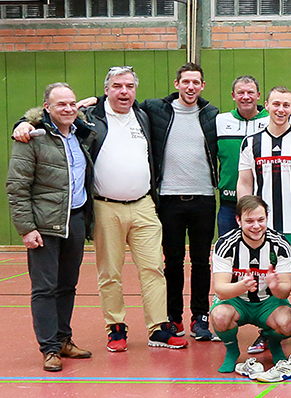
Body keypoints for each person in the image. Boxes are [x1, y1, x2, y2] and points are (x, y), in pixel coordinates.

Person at [83, 67, 181, 351]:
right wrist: (23, 123)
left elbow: (182, 97)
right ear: (106, 89)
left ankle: (158, 328)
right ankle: (116, 327)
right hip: (105, 207)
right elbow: (53, 114)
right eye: (117, 86)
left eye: (129, 86)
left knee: (153, 268)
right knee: (110, 272)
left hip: (144, 206)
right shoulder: (91, 118)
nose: (123, 92)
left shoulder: (143, 116)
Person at [6, 83, 95, 371]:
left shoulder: (82, 134)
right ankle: (50, 348)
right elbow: (17, 187)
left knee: (67, 285)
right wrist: (26, 228)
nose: (68, 109)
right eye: (61, 104)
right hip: (44, 225)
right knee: (45, 288)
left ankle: (63, 338)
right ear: (47, 108)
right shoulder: (31, 137)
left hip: (76, 220)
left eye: (72, 103)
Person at [140, 63, 220, 341]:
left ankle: (200, 316)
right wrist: (95, 101)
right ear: (177, 84)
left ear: (202, 86)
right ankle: (173, 318)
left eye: (196, 82)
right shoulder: (156, 109)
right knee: (172, 261)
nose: (190, 87)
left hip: (204, 199)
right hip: (169, 199)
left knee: (201, 262)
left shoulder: (211, 115)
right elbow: (120, 106)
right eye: (185, 82)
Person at [209, 196, 291, 381]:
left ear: (267, 218)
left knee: (288, 322)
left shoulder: (280, 244)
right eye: (249, 221)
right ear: (238, 221)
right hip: (236, 300)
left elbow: (285, 291)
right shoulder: (225, 244)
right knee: (219, 316)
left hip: (269, 302)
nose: (256, 226)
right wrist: (241, 286)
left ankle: (274, 343)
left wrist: (275, 286)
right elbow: (220, 289)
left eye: (261, 220)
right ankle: (232, 351)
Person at [237, 86, 291, 264]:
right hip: (262, 226)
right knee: (265, 281)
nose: (281, 110)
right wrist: (247, 217)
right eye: (276, 104)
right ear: (267, 105)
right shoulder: (251, 141)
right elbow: (244, 183)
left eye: (286, 105)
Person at [215, 76, 269, 236]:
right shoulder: (220, 121)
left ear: (258, 95)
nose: (246, 97)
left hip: (265, 203)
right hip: (229, 205)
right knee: (229, 255)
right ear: (233, 95)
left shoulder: (270, 120)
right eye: (241, 93)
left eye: (250, 92)